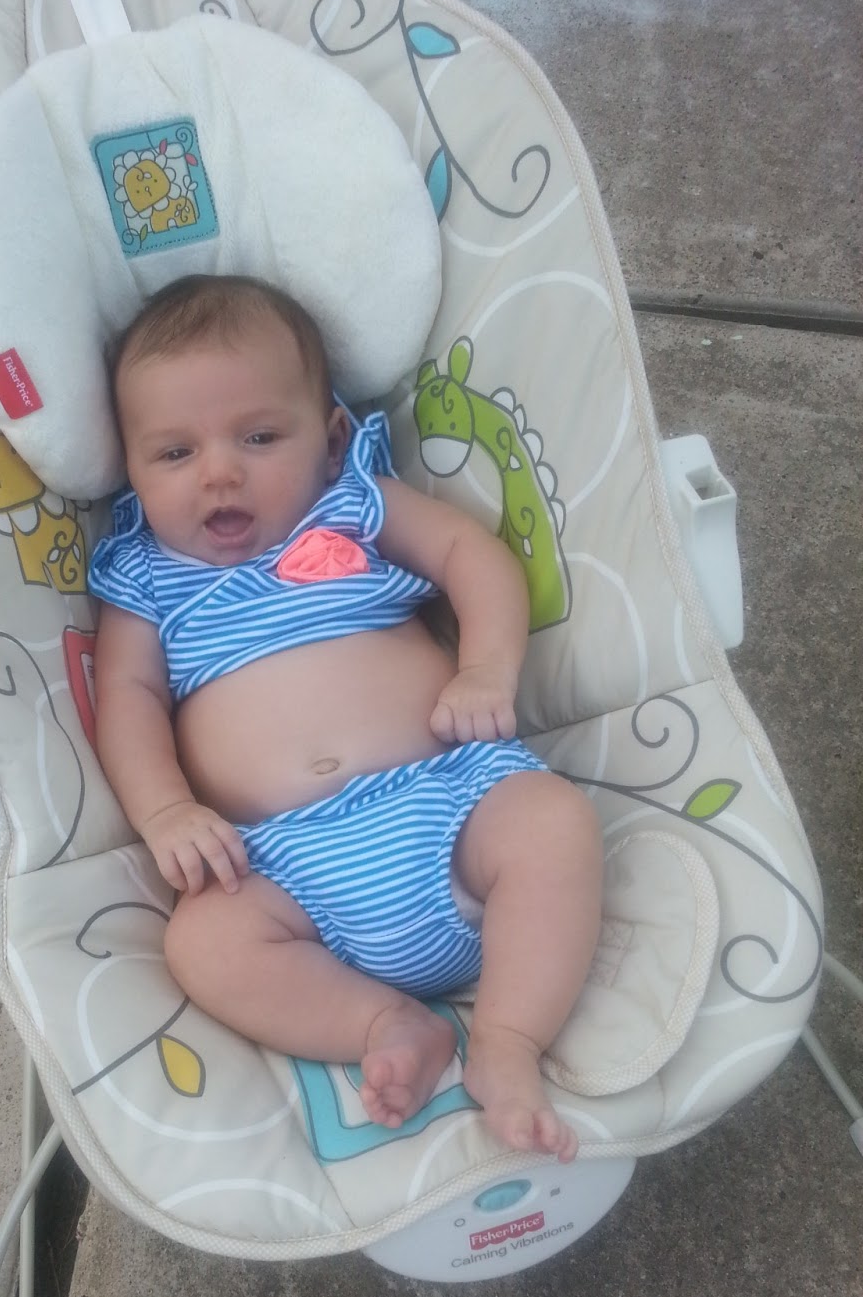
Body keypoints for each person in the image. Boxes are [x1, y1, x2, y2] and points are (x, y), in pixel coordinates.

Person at [90, 275, 603, 1161]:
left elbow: (470, 553)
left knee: (552, 823)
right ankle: (383, 1023)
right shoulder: (143, 576)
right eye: (173, 453)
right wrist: (166, 810)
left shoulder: (352, 501)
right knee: (203, 942)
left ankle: (509, 1041)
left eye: (259, 437)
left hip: (447, 802)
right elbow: (126, 701)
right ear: (129, 468)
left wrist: (486, 667)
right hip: (285, 868)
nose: (219, 472)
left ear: (330, 439)